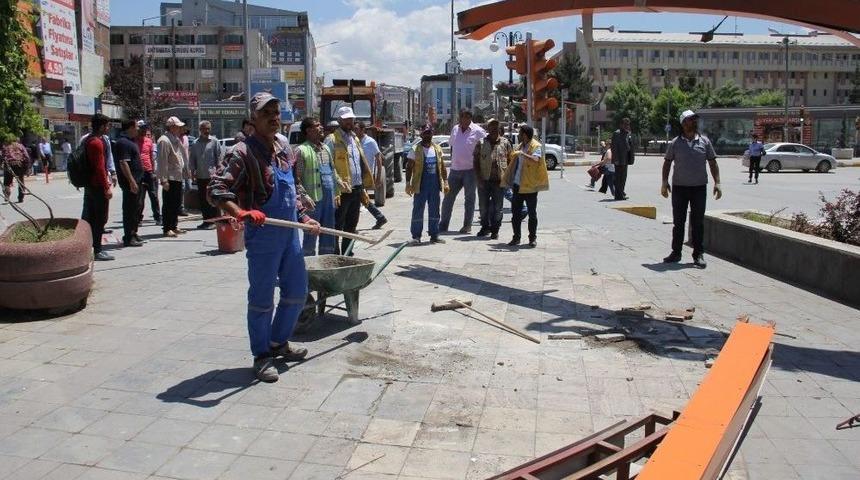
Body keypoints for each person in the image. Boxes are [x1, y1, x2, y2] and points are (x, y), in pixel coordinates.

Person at [207, 92, 320, 383]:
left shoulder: (283, 149)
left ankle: (278, 342)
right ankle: (261, 355)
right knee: (261, 299)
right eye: (266, 112)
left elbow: (291, 189)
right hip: (264, 235)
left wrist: (304, 217)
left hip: (290, 235)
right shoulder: (241, 153)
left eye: (276, 111)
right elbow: (217, 189)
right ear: (253, 118)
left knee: (297, 291)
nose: (273, 116)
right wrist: (241, 211)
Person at [661, 110, 722, 268]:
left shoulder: (705, 142)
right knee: (678, 222)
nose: (693, 122)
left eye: (694, 119)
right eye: (689, 120)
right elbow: (667, 162)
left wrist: (718, 183)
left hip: (699, 188)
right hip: (679, 188)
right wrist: (664, 182)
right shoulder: (675, 143)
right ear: (683, 123)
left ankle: (698, 254)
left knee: (698, 222)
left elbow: (713, 162)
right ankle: (676, 252)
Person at [325, 106, 374, 255]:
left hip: (356, 188)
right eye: (346, 119)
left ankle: (348, 254)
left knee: (352, 225)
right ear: (339, 120)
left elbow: (358, 162)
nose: (349, 122)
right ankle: (336, 254)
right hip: (341, 190)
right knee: (337, 225)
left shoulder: (355, 139)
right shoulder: (332, 140)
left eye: (351, 119)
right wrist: (337, 183)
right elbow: (328, 165)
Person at [294, 116, 346, 256]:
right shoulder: (301, 150)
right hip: (313, 202)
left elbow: (332, 170)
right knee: (311, 233)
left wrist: (339, 184)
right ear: (309, 130)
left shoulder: (326, 149)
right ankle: (308, 268)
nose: (321, 127)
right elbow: (295, 179)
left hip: (328, 201)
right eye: (317, 125)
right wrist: (304, 196)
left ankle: (326, 264)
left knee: (329, 234)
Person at [440, 110, 486, 233]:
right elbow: (452, 146)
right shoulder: (455, 129)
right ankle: (443, 225)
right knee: (448, 198)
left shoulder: (478, 131)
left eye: (466, 117)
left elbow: (485, 148)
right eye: (462, 116)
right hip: (455, 170)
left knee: (469, 199)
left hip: (470, 171)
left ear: (470, 118)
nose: (464, 119)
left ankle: (467, 225)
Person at [503, 124, 548, 248]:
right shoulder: (520, 146)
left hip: (530, 186)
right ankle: (516, 237)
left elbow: (536, 159)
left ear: (525, 134)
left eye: (520, 133)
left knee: (532, 214)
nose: (518, 135)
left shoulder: (536, 146)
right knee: (515, 213)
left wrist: (523, 154)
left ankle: (532, 238)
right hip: (518, 185)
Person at [405, 125, 448, 244]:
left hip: (434, 185)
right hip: (420, 185)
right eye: (425, 133)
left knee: (434, 210)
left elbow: (442, 166)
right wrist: (408, 183)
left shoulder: (437, 149)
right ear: (421, 135)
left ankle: (434, 235)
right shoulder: (415, 149)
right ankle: (416, 236)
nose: (428, 135)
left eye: (429, 133)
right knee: (418, 210)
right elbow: (409, 167)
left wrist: (445, 181)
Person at [81, 114, 114, 261]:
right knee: (99, 218)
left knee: (90, 217)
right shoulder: (96, 142)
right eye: (107, 125)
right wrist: (106, 187)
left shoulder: (88, 139)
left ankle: (88, 247)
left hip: (90, 185)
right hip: (97, 186)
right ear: (101, 126)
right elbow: (100, 168)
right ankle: (98, 249)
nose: (108, 128)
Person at [473, 118, 512, 240]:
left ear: (499, 128)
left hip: (499, 181)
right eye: (491, 126)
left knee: (498, 207)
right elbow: (475, 161)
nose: (494, 128)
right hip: (484, 180)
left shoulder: (505, 143)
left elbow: (511, 160)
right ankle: (485, 227)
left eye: (496, 126)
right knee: (483, 206)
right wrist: (478, 178)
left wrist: (508, 177)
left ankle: (495, 229)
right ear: (488, 129)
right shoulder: (481, 142)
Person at [113, 119, 144, 247]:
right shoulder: (123, 142)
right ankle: (128, 236)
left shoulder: (131, 141)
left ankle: (133, 232)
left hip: (137, 180)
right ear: (130, 127)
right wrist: (131, 181)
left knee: (136, 208)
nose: (138, 129)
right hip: (130, 182)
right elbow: (123, 163)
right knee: (129, 209)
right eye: (137, 127)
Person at [157, 117, 188, 237]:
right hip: (169, 177)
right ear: (172, 127)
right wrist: (163, 180)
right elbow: (162, 161)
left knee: (176, 203)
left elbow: (181, 157)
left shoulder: (175, 139)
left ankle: (174, 226)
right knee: (168, 203)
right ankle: (167, 228)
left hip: (177, 176)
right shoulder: (164, 141)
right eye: (178, 127)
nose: (180, 129)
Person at [355, 121, 388, 229]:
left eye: (356, 129)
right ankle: (380, 217)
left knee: (358, 198)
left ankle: (352, 226)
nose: (354, 131)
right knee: (360, 198)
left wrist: (378, 177)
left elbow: (379, 159)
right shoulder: (354, 141)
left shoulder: (370, 142)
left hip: (365, 175)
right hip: (356, 175)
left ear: (363, 130)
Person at [189, 120, 222, 229]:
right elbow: (192, 159)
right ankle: (206, 221)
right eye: (204, 129)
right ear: (200, 130)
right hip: (200, 176)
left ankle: (215, 221)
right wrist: (192, 172)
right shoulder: (195, 144)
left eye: (208, 129)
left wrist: (219, 172)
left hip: (212, 176)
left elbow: (219, 158)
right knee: (203, 200)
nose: (206, 131)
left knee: (213, 199)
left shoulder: (214, 141)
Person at [136, 122, 161, 226]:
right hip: (138, 172)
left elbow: (151, 157)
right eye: (141, 130)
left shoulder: (149, 142)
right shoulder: (134, 141)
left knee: (153, 195)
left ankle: (157, 217)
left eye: (145, 131)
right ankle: (138, 218)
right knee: (140, 197)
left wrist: (154, 171)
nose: (143, 132)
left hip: (149, 171)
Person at [610, 117, 634, 200]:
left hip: (625, 159)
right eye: (625, 124)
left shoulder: (627, 134)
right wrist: (616, 159)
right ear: (621, 125)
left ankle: (621, 193)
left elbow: (629, 146)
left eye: (628, 124)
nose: (627, 126)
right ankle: (618, 195)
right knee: (618, 178)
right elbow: (614, 147)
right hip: (619, 159)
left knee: (623, 178)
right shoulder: (617, 133)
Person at [1, 139, 30, 203]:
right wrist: (27, 168)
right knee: (20, 181)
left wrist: (2, 164)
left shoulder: (6, 146)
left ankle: (7, 196)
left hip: (9, 165)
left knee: (6, 183)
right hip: (19, 164)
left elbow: (2, 156)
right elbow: (27, 157)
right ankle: (21, 198)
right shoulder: (20, 146)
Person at [179, 128, 192, 216]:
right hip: (179, 166)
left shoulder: (186, 138)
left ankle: (180, 205)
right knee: (182, 187)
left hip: (186, 165)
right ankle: (180, 208)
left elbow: (188, 151)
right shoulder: (176, 139)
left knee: (189, 187)